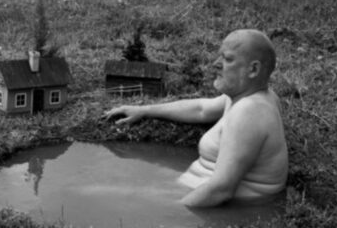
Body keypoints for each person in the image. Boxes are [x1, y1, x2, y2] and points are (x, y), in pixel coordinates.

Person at [103, 29, 288, 208]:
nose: (216, 63)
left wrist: (168, 212)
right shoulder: (248, 96)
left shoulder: (250, 112)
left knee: (105, 195)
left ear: (253, 69)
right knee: (110, 188)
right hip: (194, 192)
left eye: (228, 59)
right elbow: (201, 109)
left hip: (234, 209)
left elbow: (221, 190)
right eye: (220, 56)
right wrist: (144, 110)